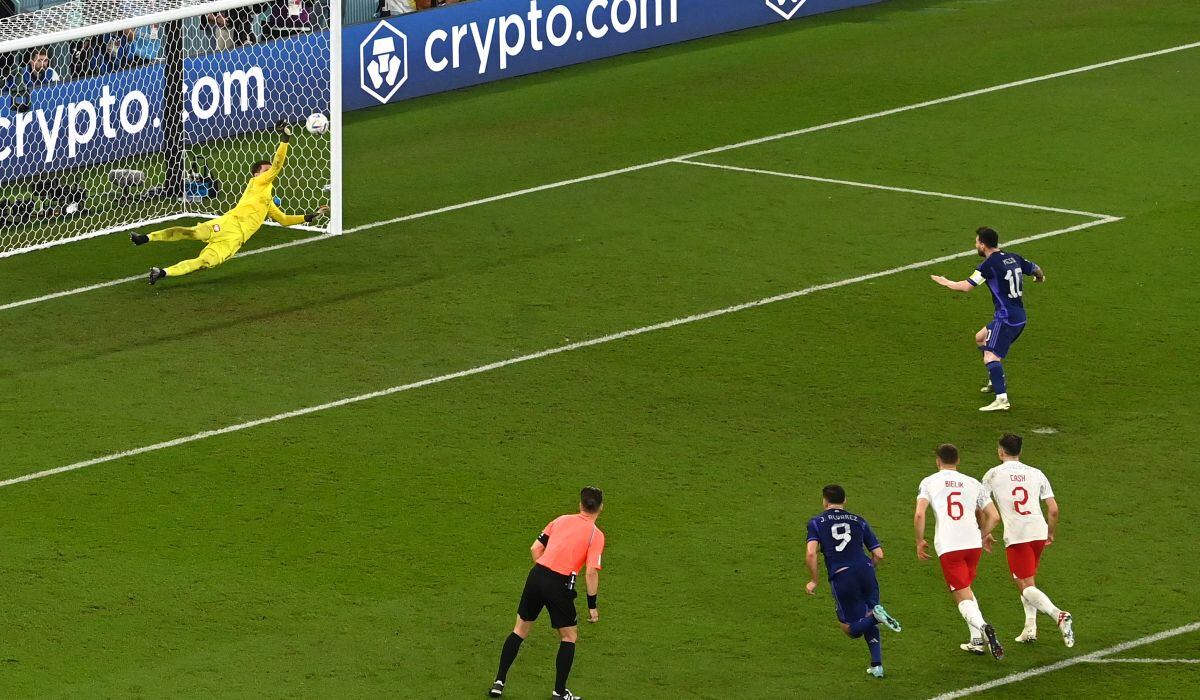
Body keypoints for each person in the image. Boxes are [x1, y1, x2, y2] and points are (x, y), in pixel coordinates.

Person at [132, 123, 328, 284]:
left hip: (234, 241)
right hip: (227, 223)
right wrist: (285, 139)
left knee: (203, 262)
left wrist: (309, 217)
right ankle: (145, 238)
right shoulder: (257, 183)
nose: (269, 173)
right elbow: (277, 165)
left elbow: (284, 220)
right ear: (256, 174)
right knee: (192, 232)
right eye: (265, 170)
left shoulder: (268, 201)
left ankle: (162, 272)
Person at [488, 487, 606, 700]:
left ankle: (499, 682)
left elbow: (535, 548)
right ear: (601, 508)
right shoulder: (595, 535)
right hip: (559, 583)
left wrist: (544, 573)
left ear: (580, 504)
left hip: (537, 575)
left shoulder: (560, 520)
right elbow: (590, 572)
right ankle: (559, 693)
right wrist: (592, 605)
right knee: (569, 636)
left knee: (519, 630)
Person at [930, 227, 1046, 412]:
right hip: (1018, 315)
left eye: (977, 242)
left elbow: (966, 287)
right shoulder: (1014, 257)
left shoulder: (987, 265)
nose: (975, 244)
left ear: (983, 245)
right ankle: (995, 378)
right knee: (980, 338)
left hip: (1006, 319)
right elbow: (1036, 269)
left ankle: (1002, 399)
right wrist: (1040, 278)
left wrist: (946, 282)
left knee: (991, 356)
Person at [981, 433, 1074, 646]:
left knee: (1024, 585)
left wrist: (984, 532)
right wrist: (1050, 532)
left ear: (1000, 451)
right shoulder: (1036, 473)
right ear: (1020, 451)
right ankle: (1030, 627)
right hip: (1038, 531)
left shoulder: (992, 474)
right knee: (1028, 580)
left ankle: (1058, 615)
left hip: (1017, 535)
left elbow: (982, 505)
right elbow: (1053, 509)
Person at [915, 443, 1004, 659]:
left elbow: (919, 514)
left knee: (960, 595)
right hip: (973, 545)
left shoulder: (929, 482)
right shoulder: (973, 483)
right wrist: (982, 534)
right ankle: (976, 641)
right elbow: (994, 516)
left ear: (938, 461)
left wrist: (919, 540)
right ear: (958, 460)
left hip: (950, 545)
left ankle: (983, 627)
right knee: (966, 588)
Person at [804, 484, 902, 679]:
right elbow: (879, 554)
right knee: (869, 614)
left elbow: (811, 553)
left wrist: (814, 580)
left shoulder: (816, 522)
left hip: (843, 576)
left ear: (824, 501)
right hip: (866, 570)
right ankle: (877, 665)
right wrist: (867, 569)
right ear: (845, 500)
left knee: (850, 629)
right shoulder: (859, 520)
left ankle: (876, 618)